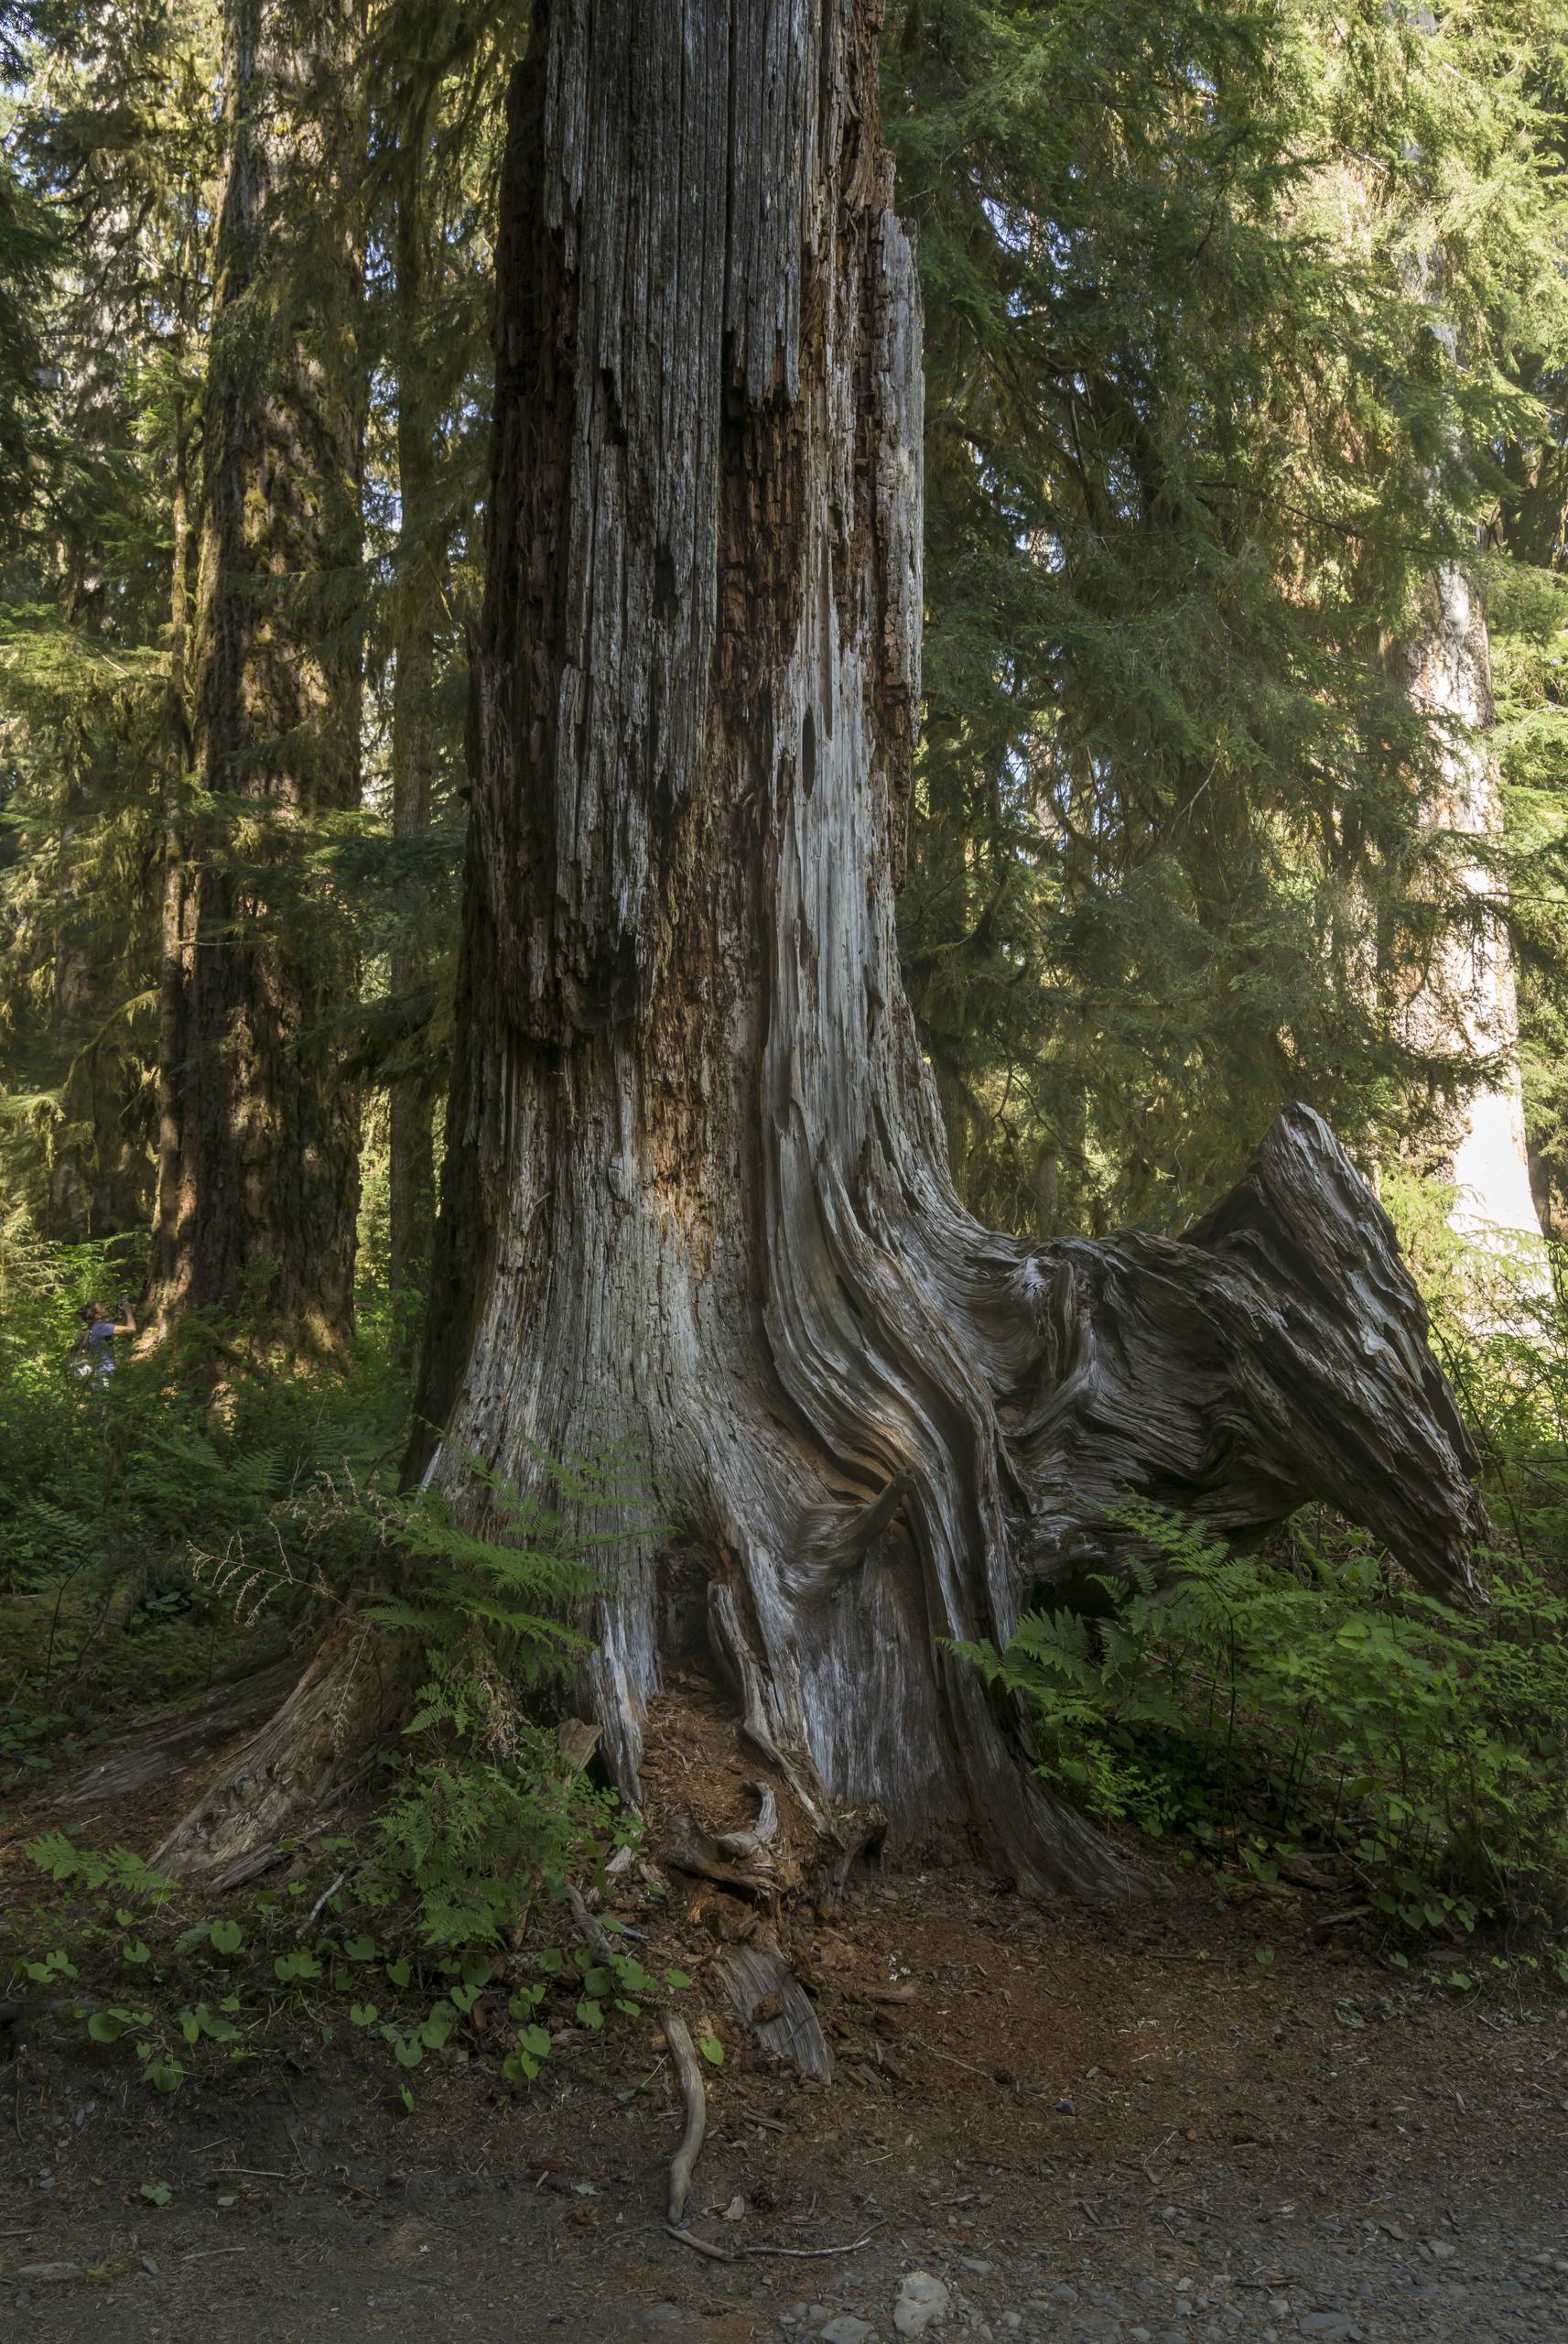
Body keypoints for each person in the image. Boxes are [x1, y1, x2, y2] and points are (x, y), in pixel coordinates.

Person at [72, 1297, 136, 1383]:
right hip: (105, 1375)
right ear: (97, 1316)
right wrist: (128, 1310)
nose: (105, 1308)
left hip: (97, 1376)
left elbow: (126, 1335)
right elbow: (131, 1330)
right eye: (102, 1307)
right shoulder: (101, 1327)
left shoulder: (93, 1328)